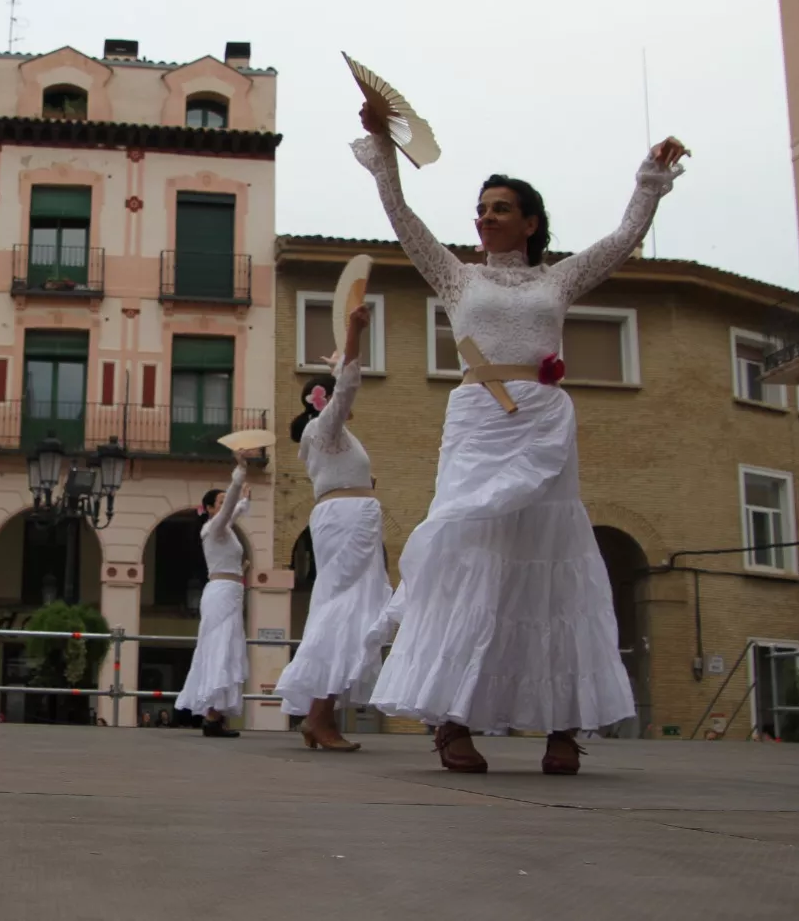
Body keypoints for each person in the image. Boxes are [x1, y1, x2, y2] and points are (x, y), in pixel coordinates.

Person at [353, 107, 688, 774]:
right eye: (480, 207)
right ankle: (453, 721)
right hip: (478, 421)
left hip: (542, 421)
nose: (485, 216)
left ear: (530, 222)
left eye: (500, 207)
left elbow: (624, 237)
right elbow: (402, 218)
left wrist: (650, 178)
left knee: (551, 562)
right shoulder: (456, 276)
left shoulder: (556, 278)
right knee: (468, 557)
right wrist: (386, 150)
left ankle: (564, 725)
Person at [272, 304, 393, 752]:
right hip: (346, 523)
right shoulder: (326, 430)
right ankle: (320, 717)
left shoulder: (327, 438)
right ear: (324, 400)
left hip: (345, 519)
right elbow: (349, 387)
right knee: (348, 611)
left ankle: (322, 716)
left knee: (349, 611)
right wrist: (354, 334)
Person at [174, 453, 254, 739]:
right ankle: (211, 716)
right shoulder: (214, 529)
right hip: (221, 593)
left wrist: (245, 499)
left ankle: (216, 716)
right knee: (220, 647)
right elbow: (231, 509)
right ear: (209, 509)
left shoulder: (225, 529)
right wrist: (239, 475)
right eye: (219, 503)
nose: (224, 507)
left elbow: (235, 510)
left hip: (229, 592)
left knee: (227, 648)